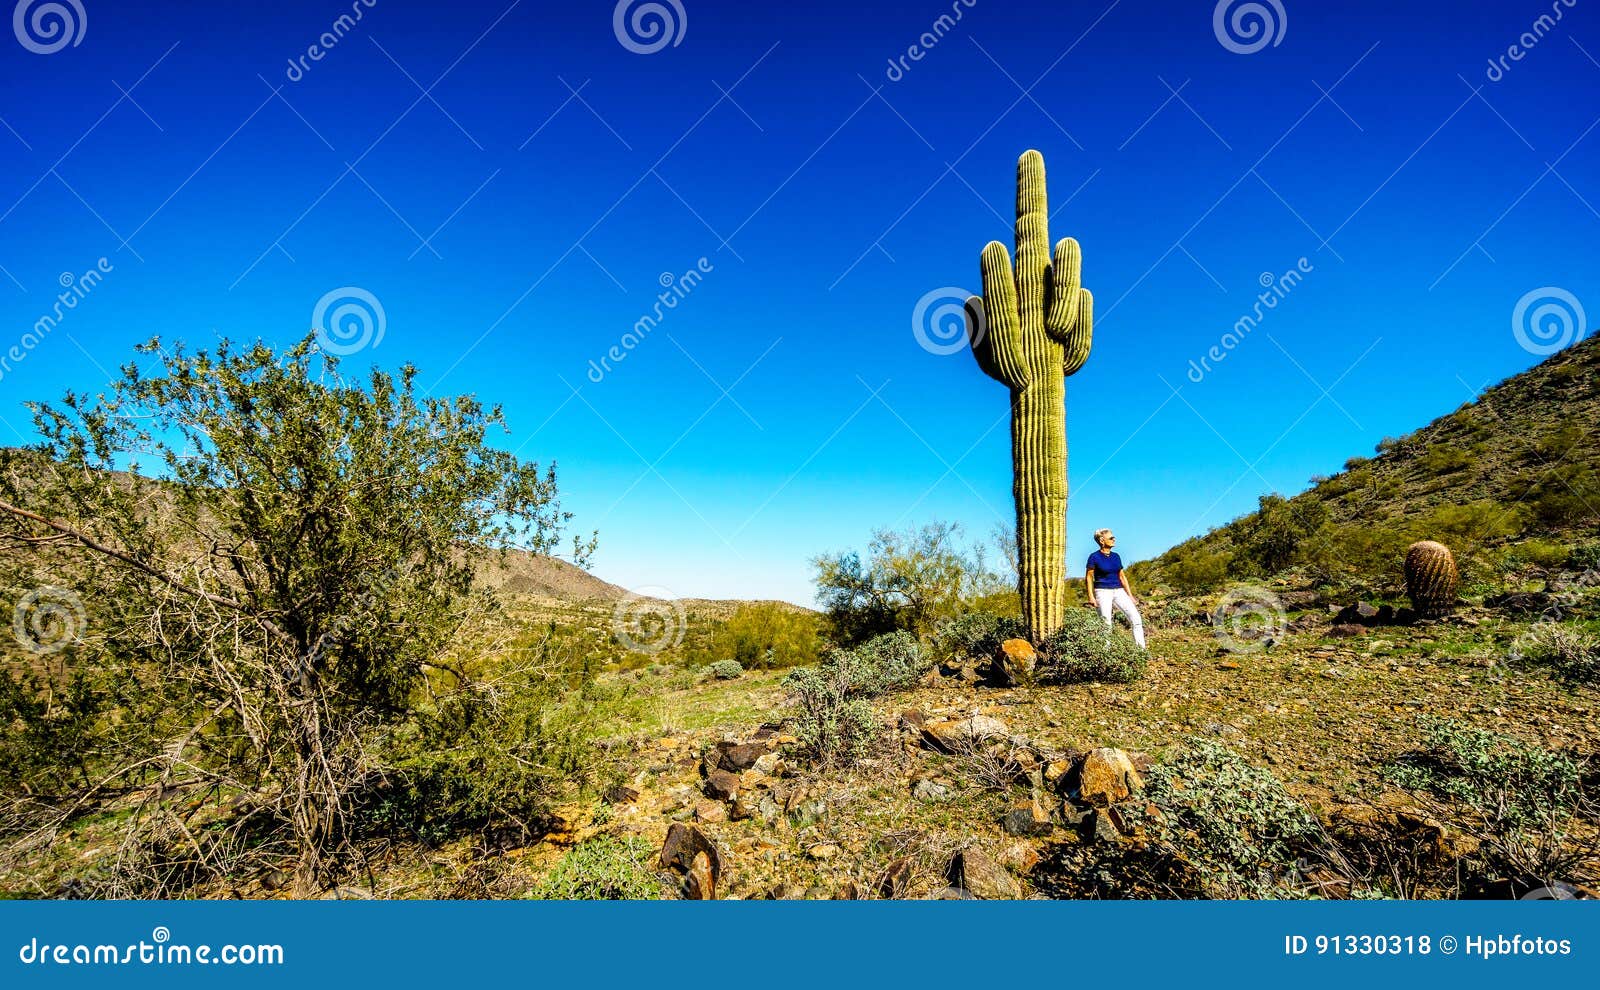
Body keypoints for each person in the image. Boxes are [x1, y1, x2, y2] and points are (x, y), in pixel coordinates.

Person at [1086, 528, 1146, 649]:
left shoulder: (1116, 556)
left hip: (1119, 591)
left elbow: (1122, 577)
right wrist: (1091, 597)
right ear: (1102, 540)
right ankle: (1105, 654)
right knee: (1106, 623)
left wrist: (1130, 595)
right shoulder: (1094, 557)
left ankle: (1141, 651)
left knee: (1136, 619)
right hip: (1102, 591)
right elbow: (1088, 577)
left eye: (1113, 537)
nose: (1114, 539)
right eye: (1111, 538)